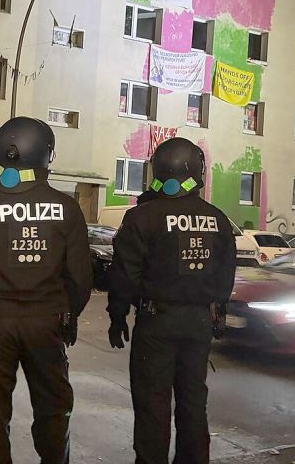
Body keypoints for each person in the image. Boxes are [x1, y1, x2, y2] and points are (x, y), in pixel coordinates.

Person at [0, 116, 92, 464]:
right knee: (53, 411)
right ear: (45, 155)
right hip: (47, 322)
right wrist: (70, 314)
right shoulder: (66, 209)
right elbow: (81, 277)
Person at [107, 137, 237, 464]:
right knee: (194, 402)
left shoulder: (142, 218)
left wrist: (117, 316)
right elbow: (225, 272)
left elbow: (125, 275)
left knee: (153, 404)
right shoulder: (217, 219)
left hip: (157, 322)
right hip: (198, 324)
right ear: (197, 172)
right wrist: (219, 310)